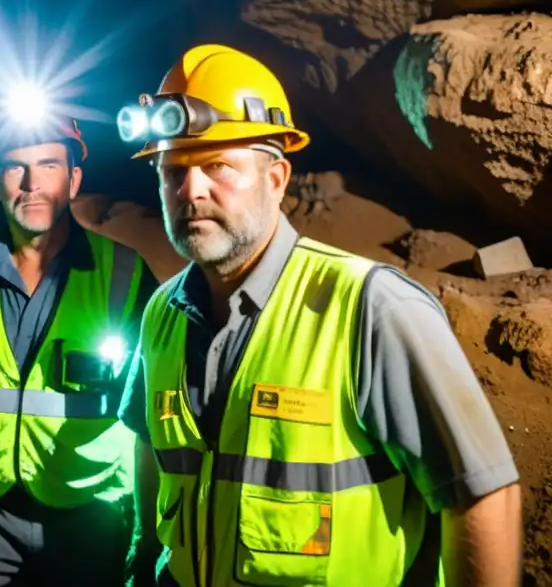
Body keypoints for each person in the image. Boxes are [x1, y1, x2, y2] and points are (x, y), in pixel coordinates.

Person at [116, 44, 523, 586]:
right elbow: (152, 448)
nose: (191, 191)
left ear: (277, 179)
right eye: (173, 172)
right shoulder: (162, 313)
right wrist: (146, 556)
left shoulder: (371, 308)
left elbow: (483, 494)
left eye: (218, 166)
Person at [0, 111, 160, 586]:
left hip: (93, 516)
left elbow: (152, 422)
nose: (30, 183)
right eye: (14, 167)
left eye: (47, 165)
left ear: (73, 179)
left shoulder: (124, 274)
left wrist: (149, 535)